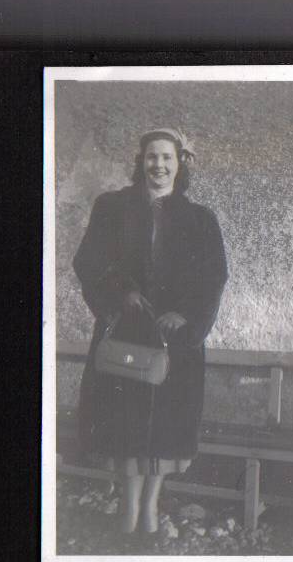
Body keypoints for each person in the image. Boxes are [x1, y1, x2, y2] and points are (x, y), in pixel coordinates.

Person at [73, 128, 229, 536]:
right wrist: (119, 292)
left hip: (173, 343)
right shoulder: (111, 207)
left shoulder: (201, 220)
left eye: (167, 158)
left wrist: (186, 316)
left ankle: (150, 510)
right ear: (141, 160)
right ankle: (128, 511)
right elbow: (88, 261)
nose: (158, 165)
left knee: (165, 429)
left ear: (180, 163)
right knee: (125, 424)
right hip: (127, 334)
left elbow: (213, 277)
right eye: (151, 157)